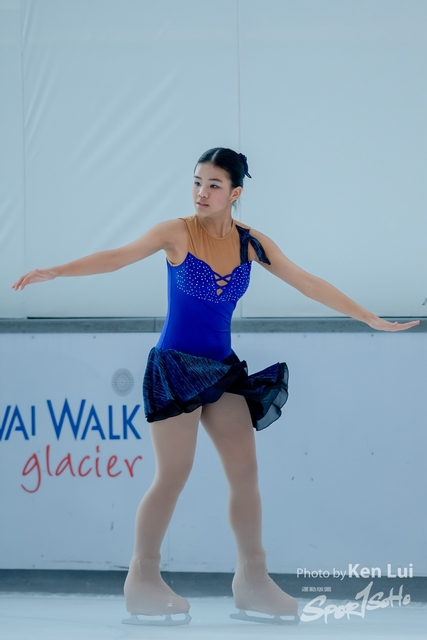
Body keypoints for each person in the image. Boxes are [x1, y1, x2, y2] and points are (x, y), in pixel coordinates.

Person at [12, 147, 420, 626]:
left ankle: (253, 581)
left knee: (245, 473)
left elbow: (306, 282)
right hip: (175, 369)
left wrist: (368, 317)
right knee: (174, 473)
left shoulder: (251, 243)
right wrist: (57, 271)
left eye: (213, 185)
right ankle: (142, 579)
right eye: (197, 182)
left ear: (235, 193)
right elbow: (118, 257)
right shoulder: (176, 232)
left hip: (221, 370)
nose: (201, 193)